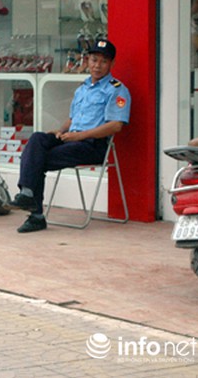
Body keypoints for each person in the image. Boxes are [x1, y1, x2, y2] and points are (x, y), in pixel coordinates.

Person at [8, 39, 131, 233]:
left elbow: (116, 125)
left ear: (112, 64)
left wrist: (80, 136)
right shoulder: (82, 88)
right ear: (88, 61)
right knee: (37, 139)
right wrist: (60, 131)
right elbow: (73, 119)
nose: (97, 65)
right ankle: (27, 193)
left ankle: (36, 214)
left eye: (103, 61)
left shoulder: (116, 89)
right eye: (93, 60)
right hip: (71, 138)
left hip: (92, 145)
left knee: (39, 159)